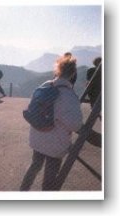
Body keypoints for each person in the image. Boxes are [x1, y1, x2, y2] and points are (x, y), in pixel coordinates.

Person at [20, 55, 83, 191]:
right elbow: (76, 125)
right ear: (73, 73)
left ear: (57, 70)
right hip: (56, 145)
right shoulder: (69, 96)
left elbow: (33, 107)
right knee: (49, 180)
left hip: (37, 138)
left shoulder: (45, 85)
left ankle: (22, 192)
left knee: (34, 166)